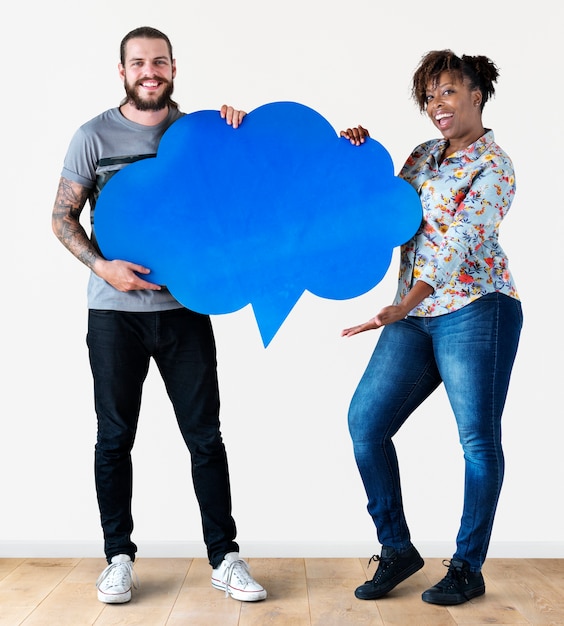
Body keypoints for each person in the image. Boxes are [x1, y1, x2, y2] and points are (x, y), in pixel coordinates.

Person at [51, 26, 266, 605]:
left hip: (185, 309)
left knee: (205, 437)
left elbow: (247, 198)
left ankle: (225, 557)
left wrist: (238, 135)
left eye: (160, 62)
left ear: (174, 68)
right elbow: (62, 218)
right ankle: (117, 557)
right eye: (139, 63)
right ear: (121, 71)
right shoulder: (92, 135)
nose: (151, 71)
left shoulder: (199, 132)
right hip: (114, 315)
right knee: (115, 438)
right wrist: (103, 267)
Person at [339, 50, 522, 606]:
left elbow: (461, 242)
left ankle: (467, 567)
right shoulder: (421, 156)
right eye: (429, 95)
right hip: (413, 316)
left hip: (477, 309)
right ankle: (397, 549)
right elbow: (384, 215)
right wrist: (355, 157)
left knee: (476, 441)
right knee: (366, 424)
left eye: (446, 91)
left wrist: (406, 301)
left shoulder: (495, 166)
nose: (436, 104)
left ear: (476, 94)